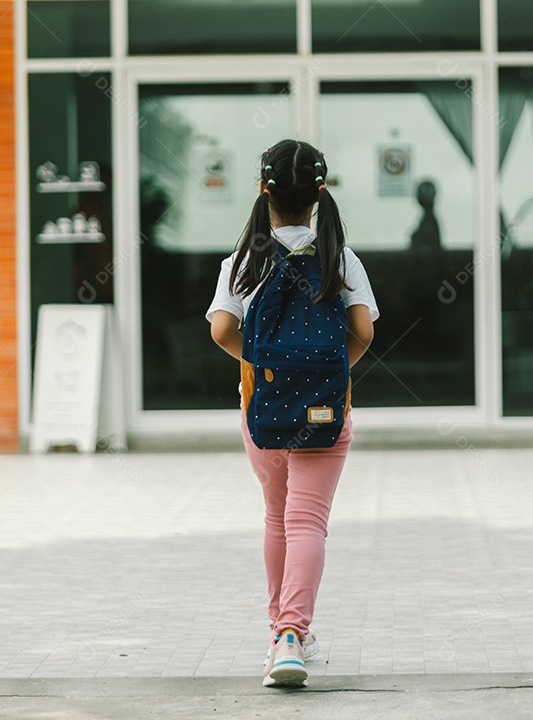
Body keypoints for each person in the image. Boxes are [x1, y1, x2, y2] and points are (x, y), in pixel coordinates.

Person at [206, 139, 379, 688]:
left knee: (277, 517)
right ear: (319, 194)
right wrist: (329, 371)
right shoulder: (339, 257)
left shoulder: (244, 260)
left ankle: (277, 632)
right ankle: (291, 636)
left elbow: (220, 330)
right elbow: (364, 332)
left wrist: (267, 366)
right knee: (308, 522)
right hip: (327, 412)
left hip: (262, 409)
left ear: (264, 190)